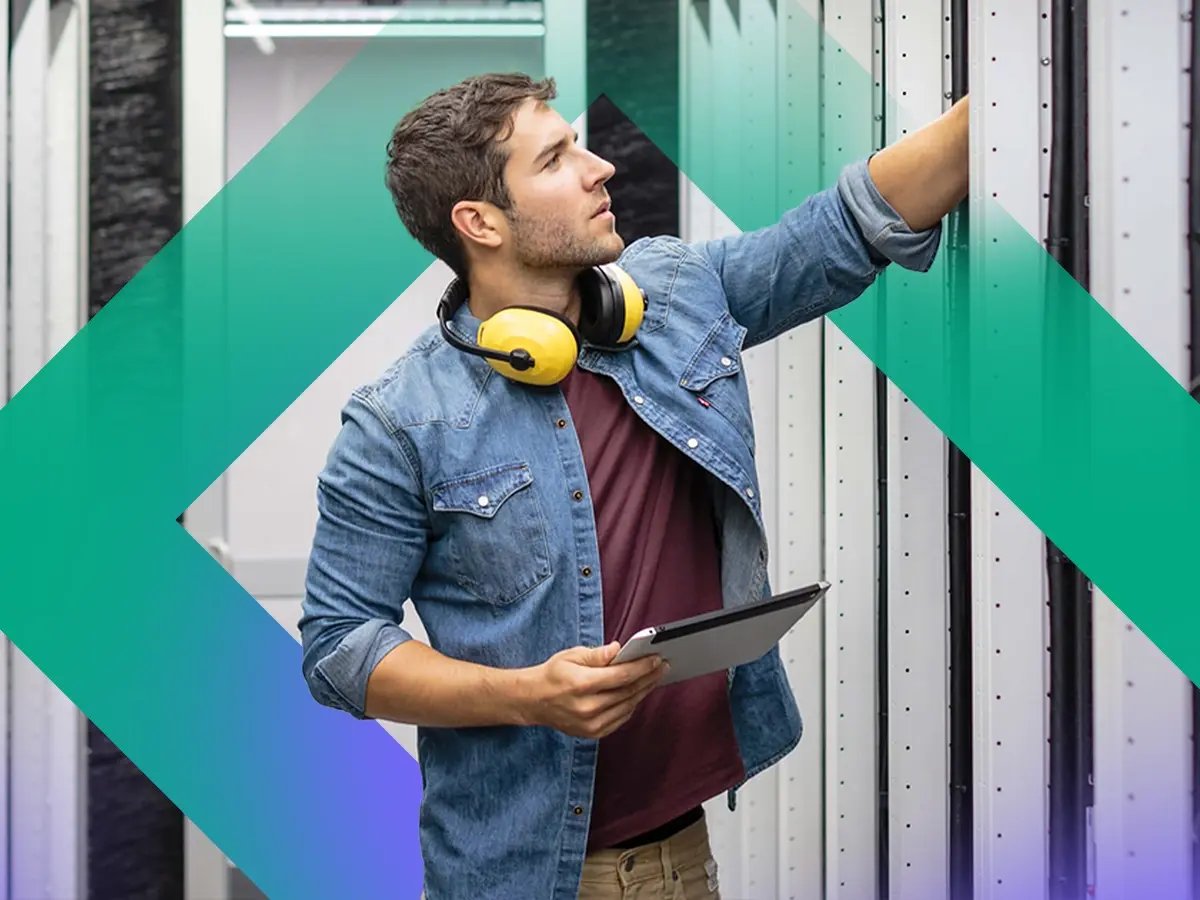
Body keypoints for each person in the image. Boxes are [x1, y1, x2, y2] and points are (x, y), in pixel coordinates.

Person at [299, 72, 968, 899]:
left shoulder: (676, 294)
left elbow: (839, 230)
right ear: (479, 222)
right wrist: (527, 697)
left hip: (679, 862)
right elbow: (340, 650)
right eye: (555, 159)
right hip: (514, 878)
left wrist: (990, 118)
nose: (600, 168)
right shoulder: (398, 422)